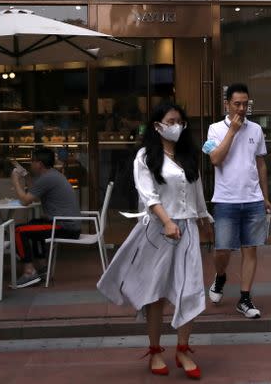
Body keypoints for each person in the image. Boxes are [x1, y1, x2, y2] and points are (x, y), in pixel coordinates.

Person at [97, 103, 211, 379]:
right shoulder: (145, 156)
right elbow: (149, 196)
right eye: (171, 121)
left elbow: (196, 190)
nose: (177, 126)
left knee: (191, 288)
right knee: (156, 293)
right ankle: (155, 349)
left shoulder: (187, 155)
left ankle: (183, 348)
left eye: (181, 122)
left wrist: (204, 218)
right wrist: (168, 221)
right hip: (159, 231)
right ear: (157, 125)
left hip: (187, 229)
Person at [206, 83, 271, 319]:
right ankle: (221, 276)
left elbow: (261, 163)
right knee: (222, 250)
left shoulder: (256, 130)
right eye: (237, 104)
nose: (242, 109)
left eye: (245, 104)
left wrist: (265, 196)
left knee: (250, 249)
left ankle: (244, 298)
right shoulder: (214, 129)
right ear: (227, 104)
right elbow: (215, 159)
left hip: (253, 199)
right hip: (225, 199)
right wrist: (232, 131)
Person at [11, 147, 81, 288]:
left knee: (19, 231)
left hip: (64, 225)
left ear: (40, 164)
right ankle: (42, 267)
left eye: (32, 161)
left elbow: (25, 200)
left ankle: (29, 271)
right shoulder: (51, 175)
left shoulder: (48, 178)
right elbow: (34, 192)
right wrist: (26, 177)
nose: (30, 163)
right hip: (68, 223)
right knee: (33, 224)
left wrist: (15, 181)